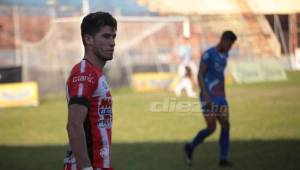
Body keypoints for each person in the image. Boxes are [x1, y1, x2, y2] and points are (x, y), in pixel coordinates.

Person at [63, 12, 117, 170]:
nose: (112, 42)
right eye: (106, 36)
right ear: (88, 39)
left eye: (114, 37)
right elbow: (74, 124)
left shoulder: (95, 73)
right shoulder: (84, 73)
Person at [184, 30, 237, 167]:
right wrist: (205, 94)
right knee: (211, 127)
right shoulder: (208, 54)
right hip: (207, 95)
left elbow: (221, 75)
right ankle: (190, 146)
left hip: (220, 96)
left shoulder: (225, 55)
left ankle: (223, 158)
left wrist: (224, 93)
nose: (230, 48)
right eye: (230, 44)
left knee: (226, 124)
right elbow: (200, 74)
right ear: (224, 40)